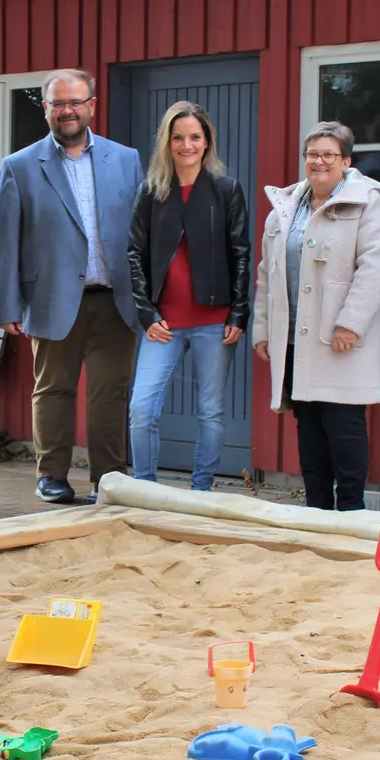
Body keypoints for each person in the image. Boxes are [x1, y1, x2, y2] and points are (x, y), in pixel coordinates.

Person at [0, 69, 145, 505]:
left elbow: (141, 234)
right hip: (52, 298)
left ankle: (108, 479)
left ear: (92, 106)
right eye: (58, 103)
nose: (68, 111)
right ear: (45, 109)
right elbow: (5, 242)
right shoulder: (19, 166)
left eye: (75, 102)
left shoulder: (126, 159)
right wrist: (7, 306)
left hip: (115, 300)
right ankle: (51, 475)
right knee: (53, 390)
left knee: (109, 394)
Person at [251, 121, 380, 511]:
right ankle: (316, 511)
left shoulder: (367, 203)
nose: (319, 161)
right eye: (312, 154)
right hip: (296, 338)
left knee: (344, 429)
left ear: (346, 161)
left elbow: (376, 265)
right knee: (309, 430)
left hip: (339, 338)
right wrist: (263, 328)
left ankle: (350, 511)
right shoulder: (285, 207)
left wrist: (350, 323)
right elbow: (268, 271)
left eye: (328, 154)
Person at [124, 101, 250, 491]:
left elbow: (241, 253)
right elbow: (134, 254)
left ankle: (200, 490)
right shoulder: (152, 192)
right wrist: (147, 313)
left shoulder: (226, 190)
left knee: (210, 412)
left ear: (207, 140)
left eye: (195, 136)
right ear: (167, 142)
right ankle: (145, 487)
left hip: (215, 320)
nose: (186, 145)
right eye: (178, 137)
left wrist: (238, 314)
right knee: (142, 410)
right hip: (163, 322)